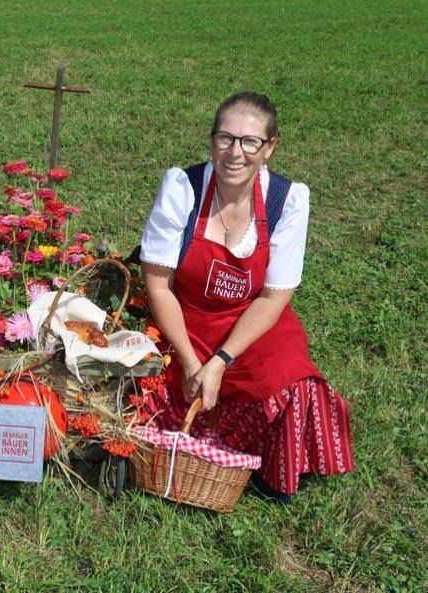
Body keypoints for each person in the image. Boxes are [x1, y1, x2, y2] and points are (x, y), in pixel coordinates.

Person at [139, 92, 354, 503]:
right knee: (142, 381)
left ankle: (270, 468)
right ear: (212, 141)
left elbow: (274, 298)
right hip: (183, 320)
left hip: (252, 324)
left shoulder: (287, 200)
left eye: (250, 141)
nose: (235, 153)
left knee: (290, 374)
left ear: (270, 147)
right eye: (225, 138)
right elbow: (158, 286)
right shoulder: (183, 189)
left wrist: (221, 362)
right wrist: (189, 361)